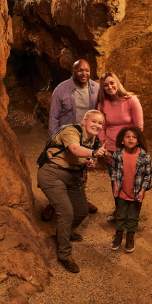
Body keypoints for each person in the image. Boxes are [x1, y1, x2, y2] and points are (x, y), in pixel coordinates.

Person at [37, 110, 107, 273]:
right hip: (52, 174)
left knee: (82, 212)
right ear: (84, 121)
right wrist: (94, 153)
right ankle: (64, 254)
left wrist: (89, 164)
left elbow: (83, 159)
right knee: (66, 213)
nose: (97, 125)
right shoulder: (71, 131)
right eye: (94, 121)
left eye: (100, 123)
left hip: (73, 176)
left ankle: (65, 232)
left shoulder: (92, 139)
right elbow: (75, 149)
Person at [44, 59, 100, 220]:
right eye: (80, 70)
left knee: (82, 171)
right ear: (73, 72)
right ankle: (52, 203)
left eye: (87, 70)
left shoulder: (96, 89)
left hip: (86, 138)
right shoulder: (61, 90)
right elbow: (54, 117)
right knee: (60, 169)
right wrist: (55, 141)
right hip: (66, 138)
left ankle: (81, 200)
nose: (84, 74)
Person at [96, 72, 144, 222]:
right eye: (105, 85)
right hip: (111, 149)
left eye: (111, 83)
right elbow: (101, 128)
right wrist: (105, 150)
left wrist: (133, 150)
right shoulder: (102, 104)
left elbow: (138, 127)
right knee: (116, 181)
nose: (109, 87)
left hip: (129, 148)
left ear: (117, 83)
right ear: (102, 88)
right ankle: (119, 212)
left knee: (131, 181)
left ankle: (132, 215)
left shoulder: (131, 100)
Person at [109, 126, 152, 253]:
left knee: (133, 216)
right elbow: (115, 170)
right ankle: (118, 235)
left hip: (136, 193)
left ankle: (130, 236)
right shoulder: (117, 153)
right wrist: (115, 184)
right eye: (127, 136)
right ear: (122, 140)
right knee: (120, 214)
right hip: (122, 191)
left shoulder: (144, 156)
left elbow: (148, 175)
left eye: (134, 137)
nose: (131, 139)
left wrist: (143, 190)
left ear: (138, 141)